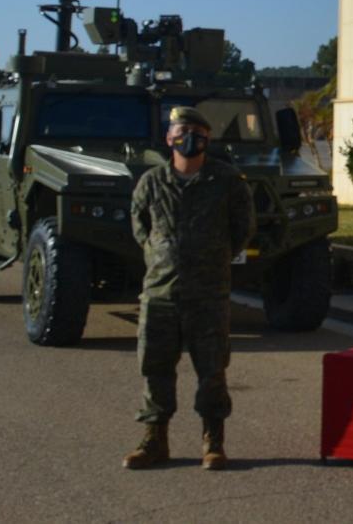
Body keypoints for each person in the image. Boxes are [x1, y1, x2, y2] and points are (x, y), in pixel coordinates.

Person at [124, 106, 255, 469]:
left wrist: (212, 258)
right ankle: (154, 441)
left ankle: (213, 442)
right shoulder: (151, 183)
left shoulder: (227, 181)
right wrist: (162, 257)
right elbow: (140, 228)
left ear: (208, 139)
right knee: (155, 370)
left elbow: (242, 229)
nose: (189, 137)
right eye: (181, 131)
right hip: (161, 294)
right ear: (169, 138)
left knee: (212, 371)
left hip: (208, 295)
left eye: (197, 131)